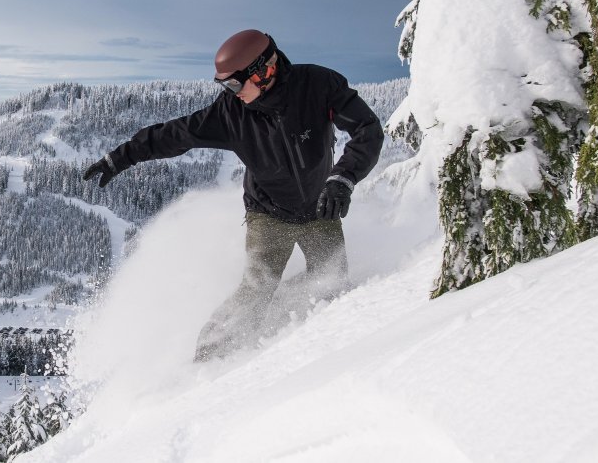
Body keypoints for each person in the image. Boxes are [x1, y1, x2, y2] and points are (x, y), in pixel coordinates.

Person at [81, 29, 384, 361]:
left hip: (320, 207)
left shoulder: (318, 86)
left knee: (332, 284)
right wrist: (121, 156)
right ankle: (206, 362)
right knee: (256, 291)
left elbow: (367, 128)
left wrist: (342, 178)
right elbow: (175, 134)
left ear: (263, 71)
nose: (231, 93)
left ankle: (307, 346)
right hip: (267, 213)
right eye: (225, 86)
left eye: (235, 84)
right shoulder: (230, 114)